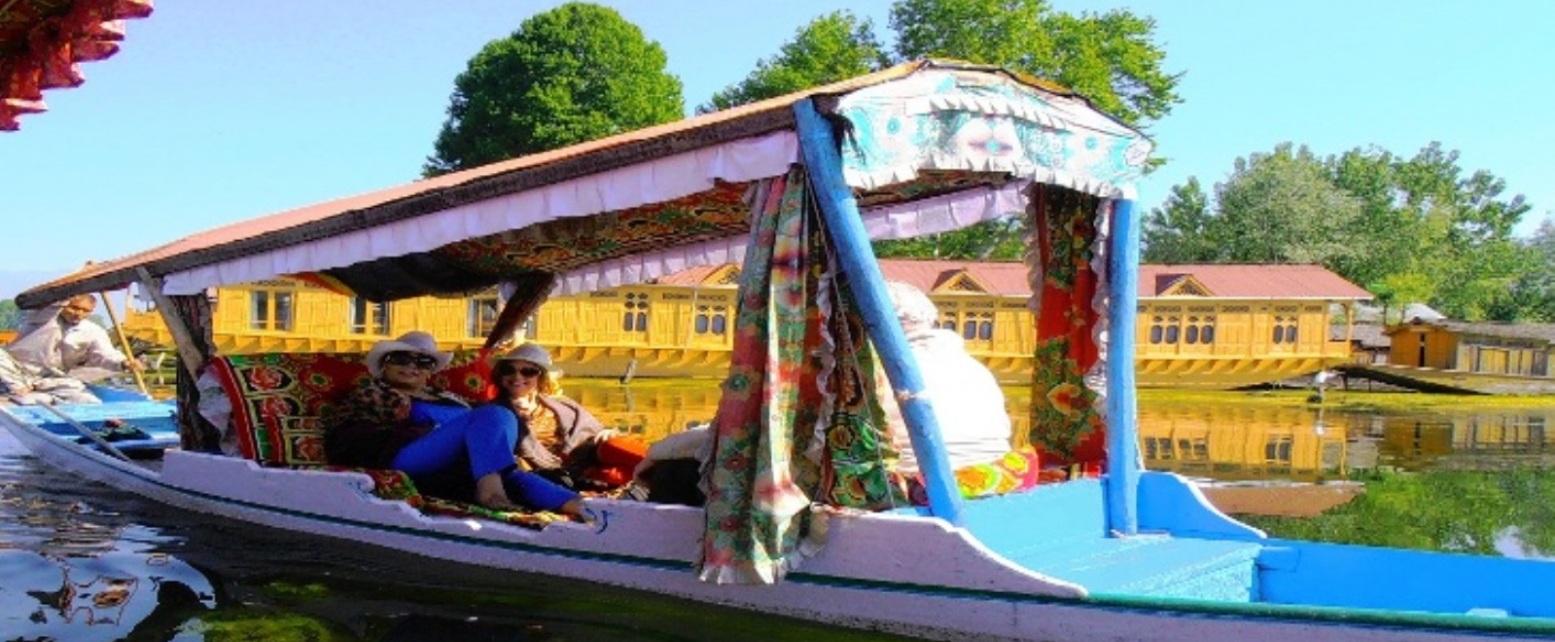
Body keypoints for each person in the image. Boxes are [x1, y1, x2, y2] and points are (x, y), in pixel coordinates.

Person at [323, 331, 585, 517]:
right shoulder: (374, 392)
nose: (411, 367)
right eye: (401, 359)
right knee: (492, 415)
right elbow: (353, 438)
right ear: (384, 364)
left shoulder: (449, 397)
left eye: (422, 362)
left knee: (508, 457)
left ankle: (581, 507)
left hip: (462, 460)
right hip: (404, 455)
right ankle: (491, 492)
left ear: (430, 370)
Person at [494, 343, 645, 490]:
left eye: (528, 371)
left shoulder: (560, 403)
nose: (517, 376)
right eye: (509, 370)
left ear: (540, 377)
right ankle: (658, 479)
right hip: (553, 469)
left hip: (586, 453)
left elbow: (590, 428)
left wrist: (606, 432)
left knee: (614, 445)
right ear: (501, 375)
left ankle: (663, 470)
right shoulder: (494, 411)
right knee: (612, 475)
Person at [1, 294, 144, 405]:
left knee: (87, 400)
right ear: (64, 306)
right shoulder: (42, 318)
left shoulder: (92, 330)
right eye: (74, 308)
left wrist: (124, 363)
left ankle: (37, 394)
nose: (79, 314)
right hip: (15, 371)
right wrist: (77, 283)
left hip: (50, 378)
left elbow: (105, 354)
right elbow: (56, 301)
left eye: (86, 311)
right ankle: (18, 390)